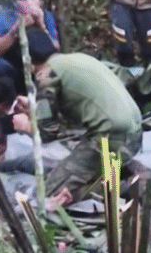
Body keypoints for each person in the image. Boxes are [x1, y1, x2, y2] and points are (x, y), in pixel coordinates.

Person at [27, 37, 143, 205]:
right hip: (134, 135)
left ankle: (128, 185)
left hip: (110, 139)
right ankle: (121, 171)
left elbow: (47, 132)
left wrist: (28, 125)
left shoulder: (47, 74)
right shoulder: (75, 59)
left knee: (48, 193)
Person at [0, 0, 59, 95]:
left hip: (41, 65)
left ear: (40, 1)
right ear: (15, 3)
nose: (28, 2)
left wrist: (41, 26)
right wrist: (15, 30)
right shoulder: (4, 18)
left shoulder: (46, 15)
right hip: (14, 64)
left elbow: (55, 48)